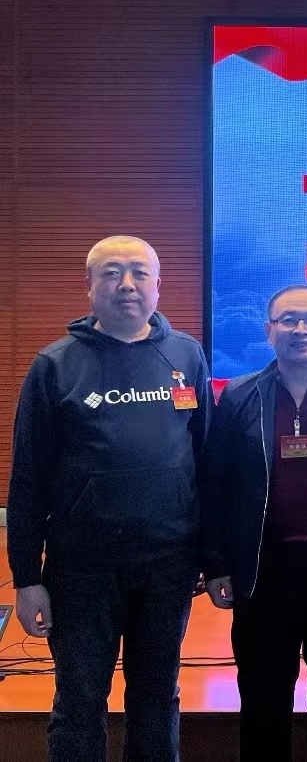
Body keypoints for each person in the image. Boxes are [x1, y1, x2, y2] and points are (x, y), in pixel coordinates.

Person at [7, 235, 212, 761]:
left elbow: (204, 460)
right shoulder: (55, 365)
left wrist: (212, 558)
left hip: (168, 565)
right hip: (82, 570)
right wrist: (27, 579)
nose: (127, 285)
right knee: (79, 702)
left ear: (158, 284)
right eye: (112, 272)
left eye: (139, 272)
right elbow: (27, 480)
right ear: (89, 285)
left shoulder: (185, 355)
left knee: (156, 698)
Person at [202, 285, 307, 761]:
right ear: (269, 330)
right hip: (263, 573)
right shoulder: (238, 396)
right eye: (288, 320)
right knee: (263, 703)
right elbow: (216, 484)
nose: (301, 329)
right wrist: (216, 564)